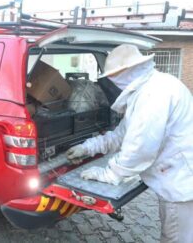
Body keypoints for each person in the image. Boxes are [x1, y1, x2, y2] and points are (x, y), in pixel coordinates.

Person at [67, 44, 193, 243]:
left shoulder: (153, 94)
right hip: (176, 177)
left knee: (176, 238)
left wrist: (110, 174)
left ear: (123, 72)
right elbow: (121, 135)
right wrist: (87, 147)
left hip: (179, 183)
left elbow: (140, 148)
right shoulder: (151, 88)